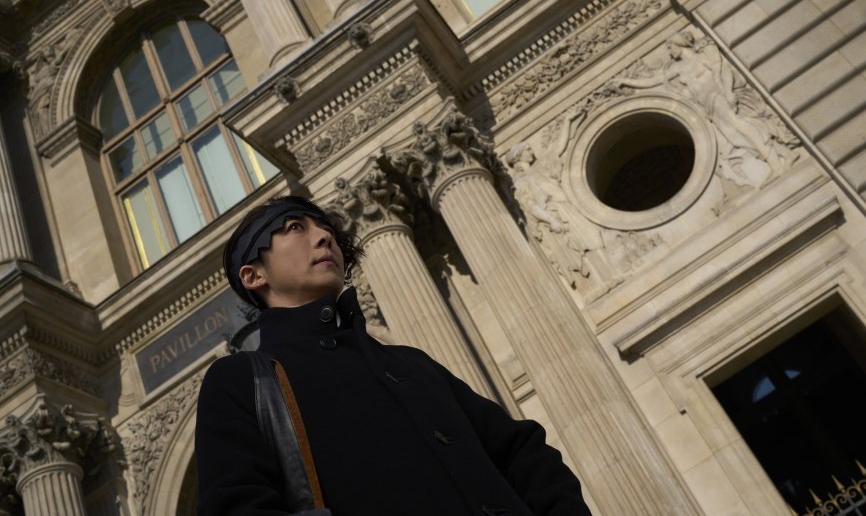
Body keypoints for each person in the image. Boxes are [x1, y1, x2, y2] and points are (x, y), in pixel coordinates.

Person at [195, 195, 592, 515]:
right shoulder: (240, 380)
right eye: (296, 228)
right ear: (254, 275)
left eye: (325, 228)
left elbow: (522, 451)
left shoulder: (410, 363)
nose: (323, 237)